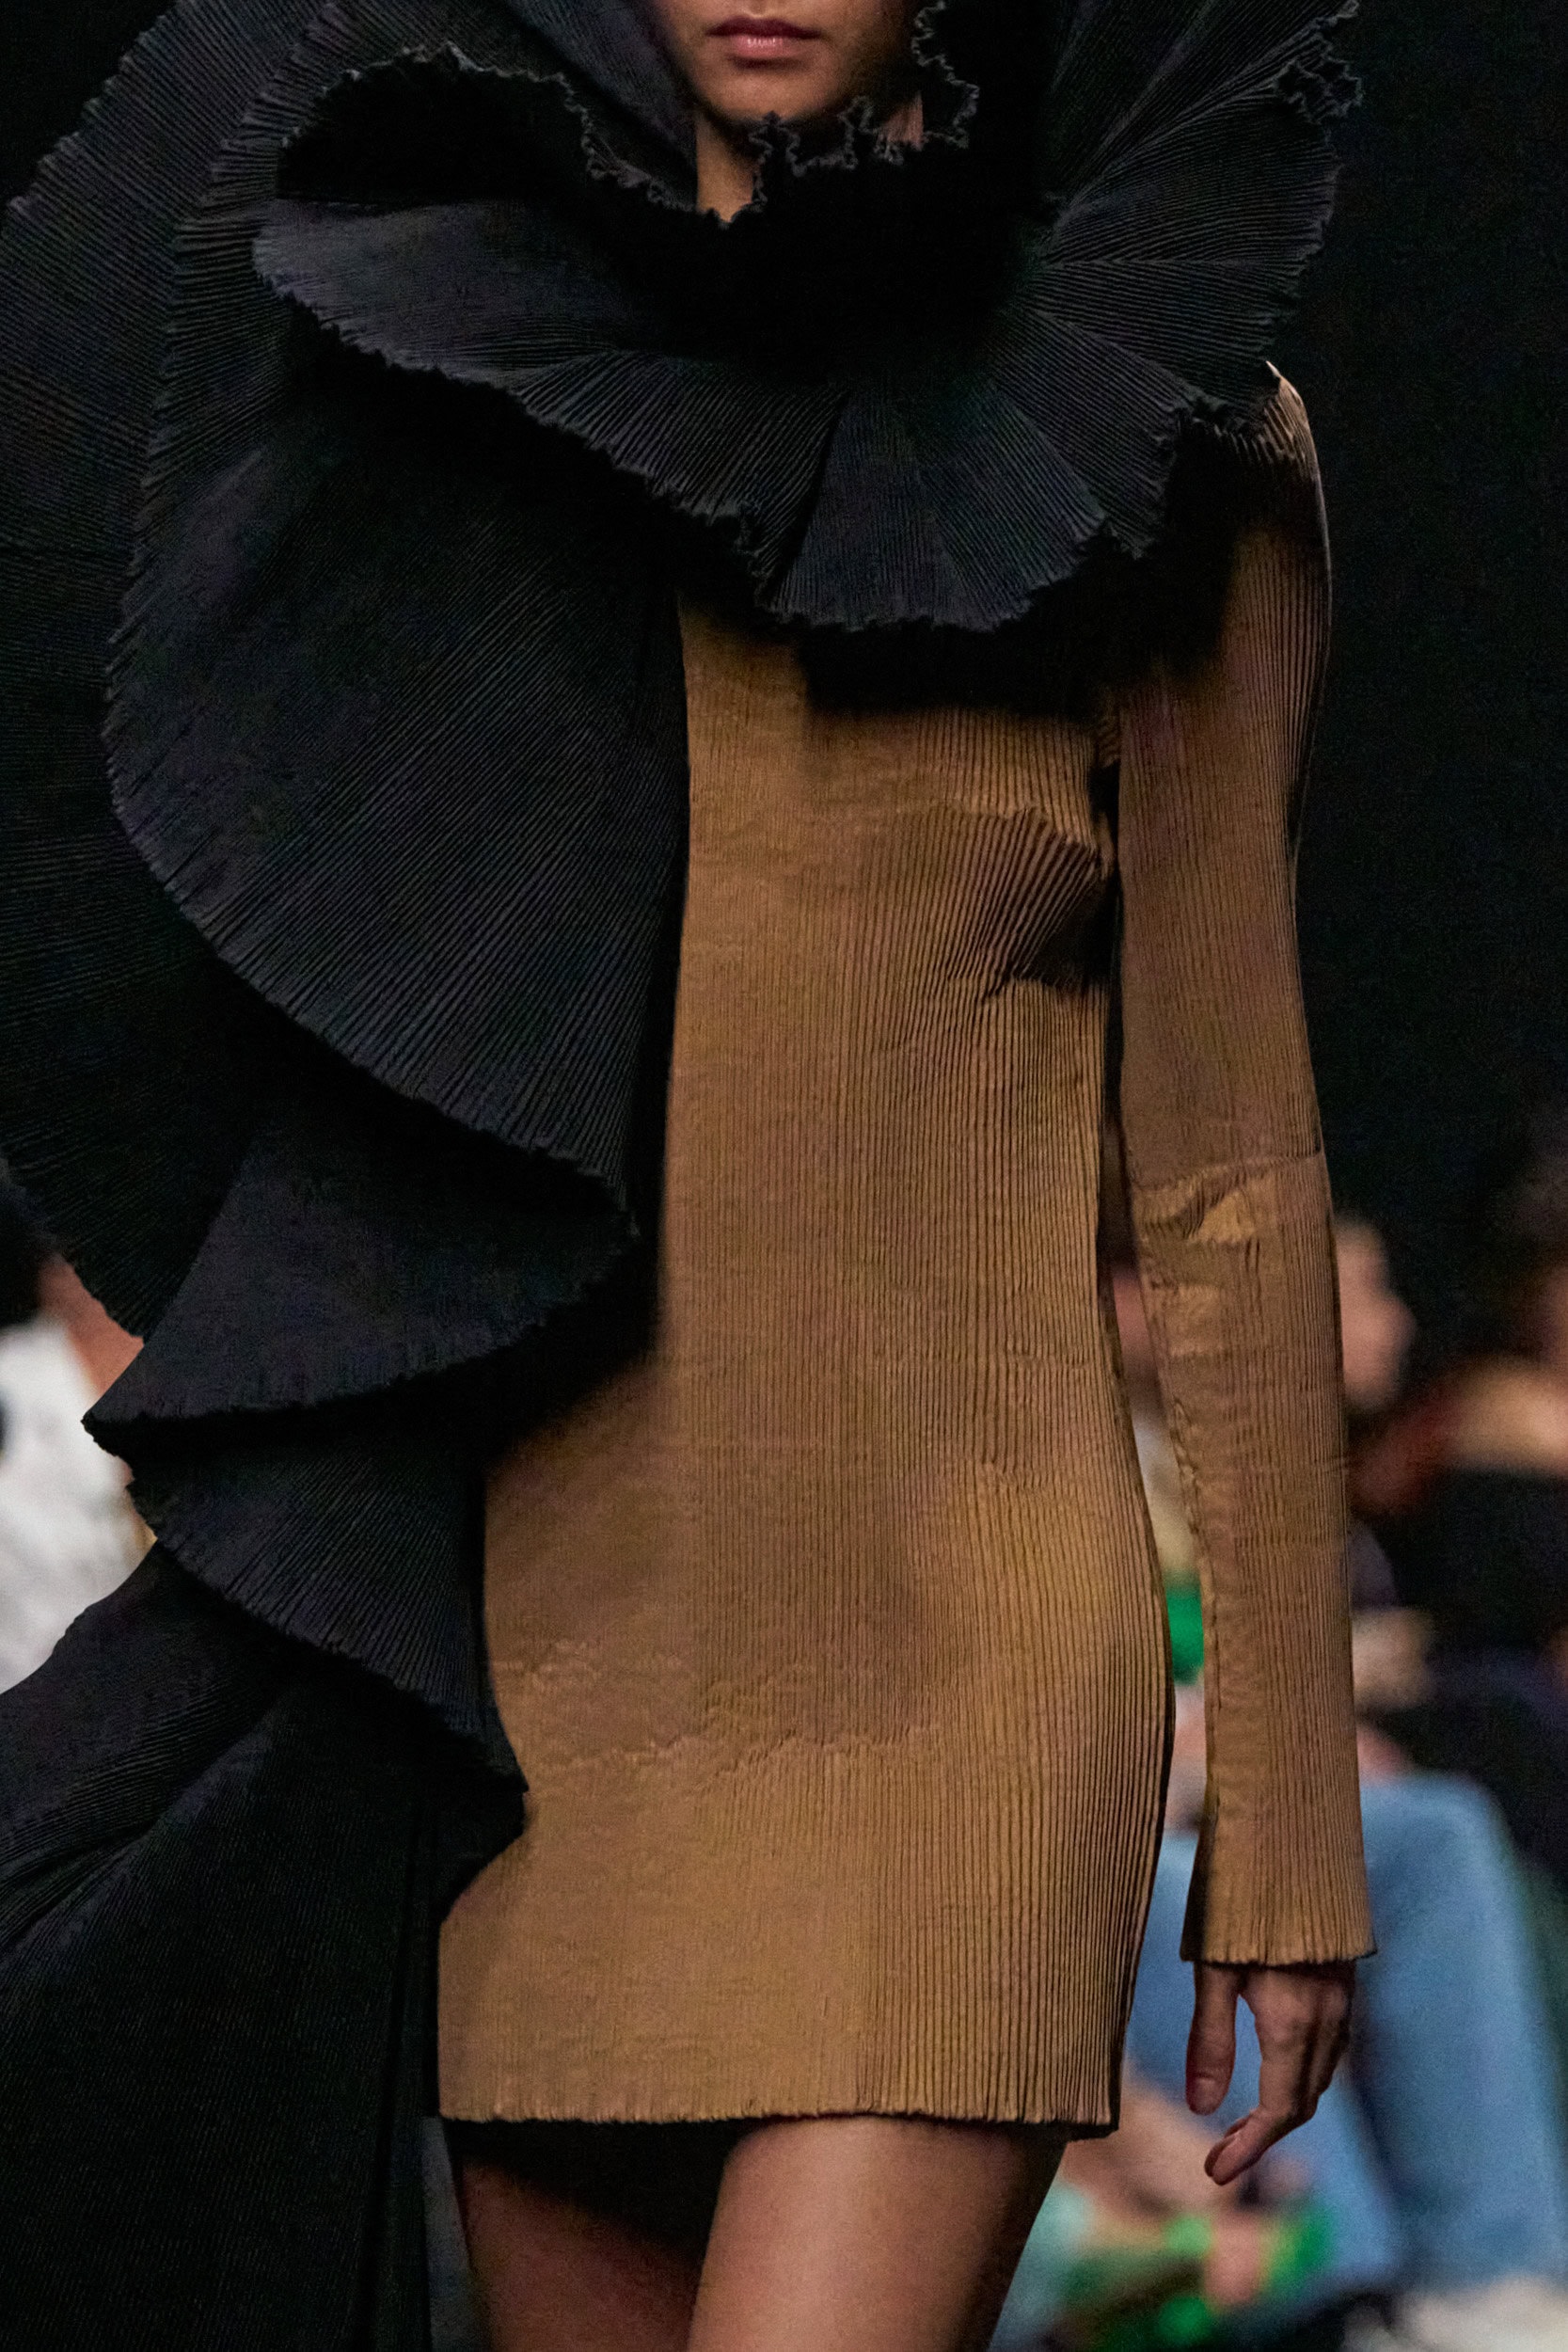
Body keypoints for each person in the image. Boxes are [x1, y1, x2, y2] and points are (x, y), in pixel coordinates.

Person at [0, 3, 1371, 2345]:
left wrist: (1292, 1804)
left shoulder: (1160, 432)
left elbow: (1233, 1156)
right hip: (552, 1689)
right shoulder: (452, 383)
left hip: (962, 1662)